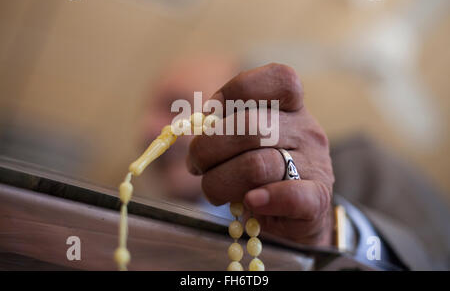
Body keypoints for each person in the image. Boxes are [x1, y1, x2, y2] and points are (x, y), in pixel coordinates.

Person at [143, 55, 450, 270]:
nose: (147, 129)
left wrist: (331, 233)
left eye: (175, 106)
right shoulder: (150, 234)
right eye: (149, 110)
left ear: (247, 113)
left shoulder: (365, 166)